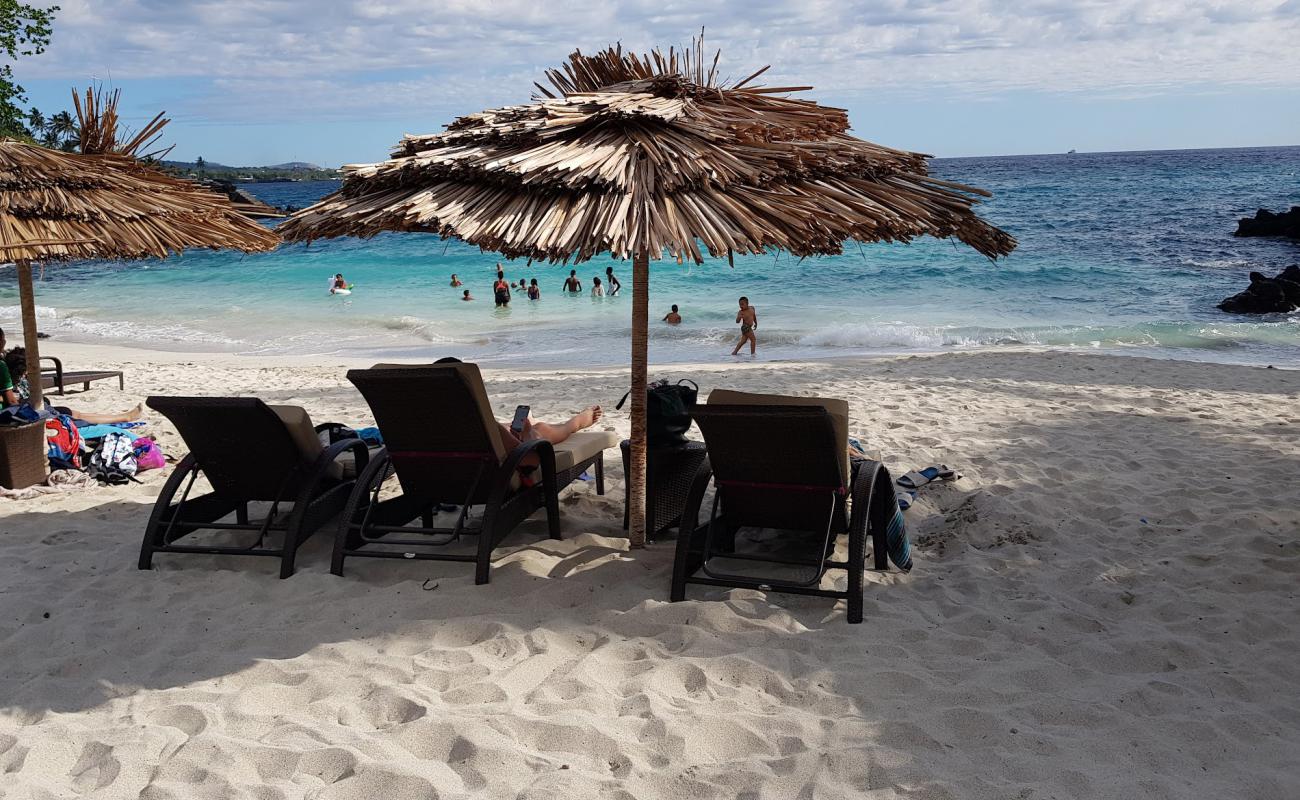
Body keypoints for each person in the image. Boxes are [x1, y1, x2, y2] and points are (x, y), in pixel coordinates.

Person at [2, 348, 142, 423]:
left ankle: (123, 416)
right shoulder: (14, 384)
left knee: (74, 413)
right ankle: (124, 417)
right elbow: (14, 403)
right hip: (33, 417)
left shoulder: (16, 381)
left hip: (33, 412)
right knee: (76, 415)